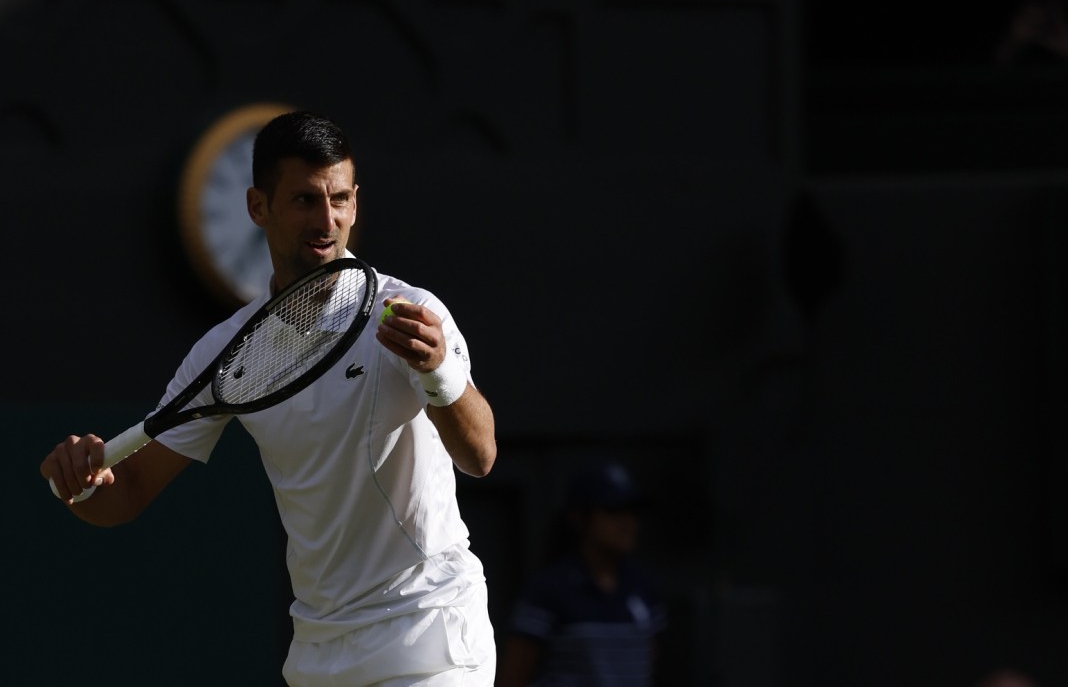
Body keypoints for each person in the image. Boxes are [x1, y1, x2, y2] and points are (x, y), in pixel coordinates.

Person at [40, 110, 498, 686]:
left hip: (430, 633)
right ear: (259, 207)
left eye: (338, 199)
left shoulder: (407, 312)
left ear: (355, 203)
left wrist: (439, 374)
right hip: (320, 651)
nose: (326, 220)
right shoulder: (224, 351)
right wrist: (82, 486)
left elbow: (480, 456)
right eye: (305, 200)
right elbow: (127, 491)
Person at [496, 461, 668, 687]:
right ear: (579, 518)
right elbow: (513, 678)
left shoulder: (644, 588)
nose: (627, 521)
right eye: (613, 510)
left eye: (632, 510)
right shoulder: (548, 590)